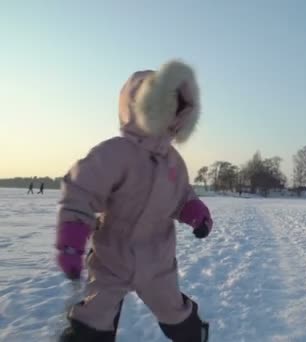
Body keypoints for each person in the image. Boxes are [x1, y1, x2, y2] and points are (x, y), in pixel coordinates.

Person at [56, 60, 212, 342]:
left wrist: (195, 212)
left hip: (157, 261)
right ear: (142, 107)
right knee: (94, 317)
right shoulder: (115, 153)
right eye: (164, 107)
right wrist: (73, 236)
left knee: (173, 310)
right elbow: (81, 189)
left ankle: (193, 333)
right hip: (110, 258)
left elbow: (182, 196)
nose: (171, 115)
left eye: (177, 109)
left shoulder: (174, 163)